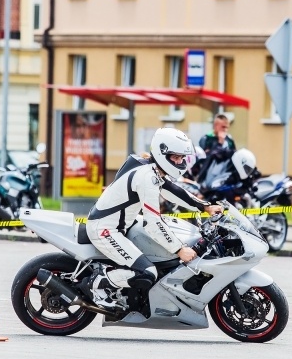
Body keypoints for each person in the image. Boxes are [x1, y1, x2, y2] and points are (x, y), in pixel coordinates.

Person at [85, 127, 223, 311]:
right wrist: (180, 249)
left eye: (181, 157)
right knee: (147, 272)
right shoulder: (147, 177)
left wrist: (205, 206)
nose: (179, 162)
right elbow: (153, 223)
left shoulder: (151, 168)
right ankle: (99, 282)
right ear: (162, 152)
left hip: (123, 223)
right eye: (175, 157)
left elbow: (174, 191)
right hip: (105, 229)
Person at [196, 114, 236, 188]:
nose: (225, 130)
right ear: (215, 125)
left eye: (227, 127)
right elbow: (205, 158)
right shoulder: (206, 139)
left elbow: (234, 155)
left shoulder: (229, 140)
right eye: (223, 127)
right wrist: (220, 143)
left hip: (224, 176)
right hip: (207, 178)